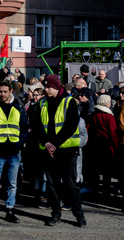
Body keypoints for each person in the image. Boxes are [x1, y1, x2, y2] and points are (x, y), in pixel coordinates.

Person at [32, 74, 85, 227]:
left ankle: (79, 216)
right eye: (45, 87)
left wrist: (52, 143)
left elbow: (70, 126)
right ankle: (56, 214)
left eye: (49, 87)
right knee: (52, 184)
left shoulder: (69, 102)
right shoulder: (42, 104)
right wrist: (46, 143)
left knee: (70, 183)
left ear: (57, 87)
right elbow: (37, 127)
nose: (46, 90)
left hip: (67, 151)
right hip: (49, 151)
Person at [0, 78, 27, 224]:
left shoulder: (18, 107)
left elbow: (24, 127)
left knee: (12, 184)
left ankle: (9, 209)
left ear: (11, 92)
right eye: (0, 92)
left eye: (5, 92)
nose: (2, 94)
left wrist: (20, 143)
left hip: (14, 151)